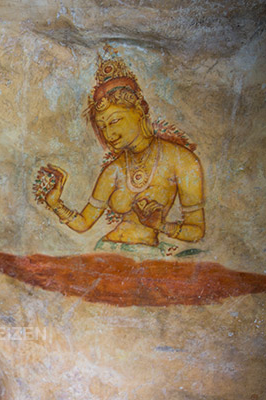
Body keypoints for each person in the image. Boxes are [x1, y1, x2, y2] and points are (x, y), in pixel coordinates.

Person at [36, 46, 205, 254]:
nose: (109, 133)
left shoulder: (182, 161)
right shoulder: (113, 170)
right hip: (105, 251)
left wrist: (161, 226)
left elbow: (196, 231)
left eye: (115, 121)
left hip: (148, 256)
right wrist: (55, 203)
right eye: (103, 126)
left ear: (139, 112)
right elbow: (83, 223)